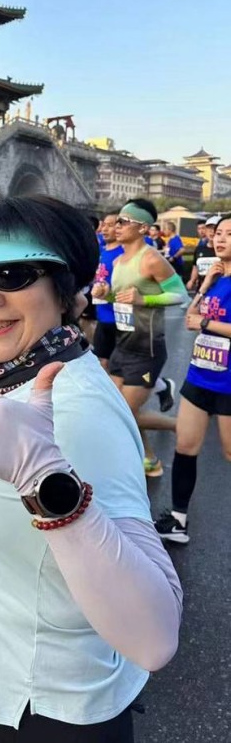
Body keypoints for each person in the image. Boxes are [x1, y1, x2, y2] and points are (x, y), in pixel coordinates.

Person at [0, 195, 182, 743]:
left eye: (12, 275)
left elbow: (154, 637)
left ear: (62, 291)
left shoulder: (75, 411)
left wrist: (44, 481)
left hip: (47, 703)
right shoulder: (15, 371)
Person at [92, 199, 188, 477]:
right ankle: (148, 458)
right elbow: (123, 299)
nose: (117, 226)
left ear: (143, 228)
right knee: (117, 409)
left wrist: (145, 299)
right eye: (117, 221)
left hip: (147, 348)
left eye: (124, 222)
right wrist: (107, 294)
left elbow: (180, 295)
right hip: (122, 344)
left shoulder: (151, 259)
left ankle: (179, 426)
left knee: (124, 412)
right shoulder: (119, 260)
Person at [154, 214, 231, 544]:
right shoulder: (216, 279)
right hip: (200, 376)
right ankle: (178, 520)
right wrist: (204, 285)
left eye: (229, 234)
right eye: (219, 233)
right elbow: (190, 318)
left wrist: (206, 324)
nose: (220, 238)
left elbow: (199, 323)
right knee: (185, 446)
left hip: (228, 384)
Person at [91, 211, 124, 370]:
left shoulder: (123, 254)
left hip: (119, 319)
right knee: (101, 361)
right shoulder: (102, 252)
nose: (104, 229)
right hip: (102, 315)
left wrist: (108, 292)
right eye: (103, 225)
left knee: (117, 367)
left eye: (110, 225)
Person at [187, 215, 219, 294]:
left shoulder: (224, 251)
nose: (212, 231)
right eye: (209, 228)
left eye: (215, 228)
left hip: (219, 289)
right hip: (201, 289)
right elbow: (195, 266)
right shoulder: (199, 249)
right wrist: (192, 280)